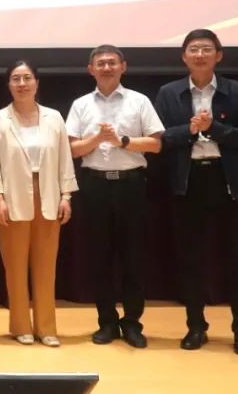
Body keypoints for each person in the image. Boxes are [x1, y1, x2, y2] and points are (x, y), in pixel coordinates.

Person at [154, 29, 238, 356]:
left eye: (206, 49)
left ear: (219, 55)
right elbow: (160, 138)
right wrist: (190, 131)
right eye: (193, 49)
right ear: (184, 56)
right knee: (191, 260)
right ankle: (196, 327)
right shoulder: (169, 93)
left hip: (229, 182)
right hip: (188, 181)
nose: (200, 55)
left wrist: (214, 128)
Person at [66, 45, 163, 348]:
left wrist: (122, 141)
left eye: (112, 62)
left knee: (133, 257)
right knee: (100, 257)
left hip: (131, 185)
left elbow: (156, 144)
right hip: (94, 186)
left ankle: (132, 323)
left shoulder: (139, 101)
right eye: (101, 63)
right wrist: (98, 138)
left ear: (123, 66)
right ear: (90, 69)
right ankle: (107, 322)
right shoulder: (81, 104)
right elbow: (72, 149)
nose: (106, 68)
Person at [0, 60, 77, 347]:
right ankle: (20, 325)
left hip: (48, 193)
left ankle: (46, 327)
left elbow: (64, 158)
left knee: (46, 266)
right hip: (12, 197)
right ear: (8, 84)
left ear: (37, 82)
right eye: (16, 79)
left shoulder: (54, 117)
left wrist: (66, 196)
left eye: (27, 78)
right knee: (14, 265)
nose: (22, 84)